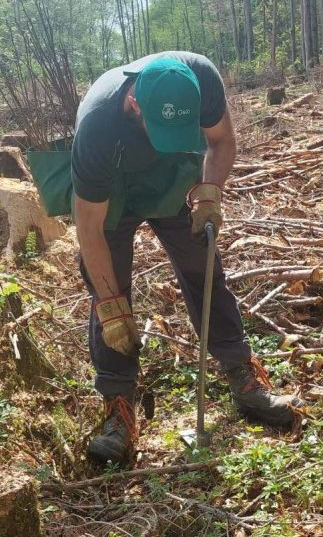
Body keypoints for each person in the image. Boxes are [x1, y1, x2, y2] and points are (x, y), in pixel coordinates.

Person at [71, 51, 304, 466]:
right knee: (111, 295)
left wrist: (210, 190)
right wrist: (110, 306)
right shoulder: (98, 126)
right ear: (134, 104)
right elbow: (89, 228)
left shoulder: (203, 80)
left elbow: (221, 141)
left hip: (175, 180)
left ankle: (243, 377)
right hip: (114, 194)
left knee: (205, 268)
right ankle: (118, 408)